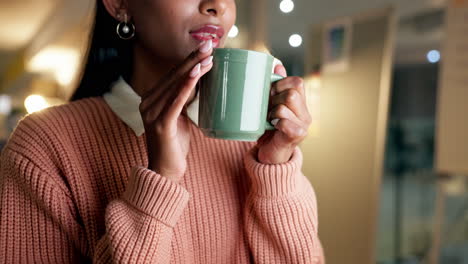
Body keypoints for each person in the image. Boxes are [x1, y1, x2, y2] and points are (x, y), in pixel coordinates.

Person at [0, 0, 325, 263]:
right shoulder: (44, 143)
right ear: (118, 4)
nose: (217, 5)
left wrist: (276, 167)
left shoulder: (254, 141)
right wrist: (161, 177)